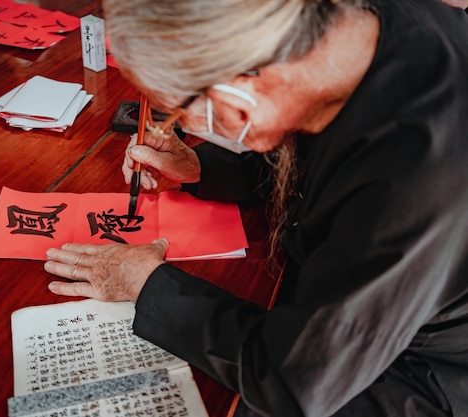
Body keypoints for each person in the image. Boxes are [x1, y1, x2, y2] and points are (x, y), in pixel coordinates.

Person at [44, 0, 468, 415]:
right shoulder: (356, 32)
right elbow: (311, 145)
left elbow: (293, 380)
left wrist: (148, 285)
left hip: (425, 372)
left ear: (238, 88)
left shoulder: (413, 179)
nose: (182, 126)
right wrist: (199, 166)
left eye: (178, 112)